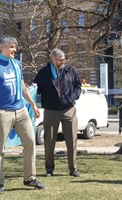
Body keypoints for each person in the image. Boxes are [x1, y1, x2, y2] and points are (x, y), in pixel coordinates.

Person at [0, 35, 44, 194]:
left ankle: (30, 178)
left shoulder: (17, 64)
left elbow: (22, 87)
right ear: (2, 48)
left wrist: (33, 105)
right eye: (11, 47)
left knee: (30, 142)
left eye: (15, 47)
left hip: (21, 111)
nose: (15, 49)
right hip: (2, 113)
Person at [34, 48, 82, 177]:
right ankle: (49, 169)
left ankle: (73, 169)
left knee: (72, 140)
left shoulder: (70, 70)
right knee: (49, 141)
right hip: (50, 111)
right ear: (54, 60)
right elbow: (35, 88)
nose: (63, 61)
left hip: (69, 110)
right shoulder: (43, 73)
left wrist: (74, 96)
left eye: (64, 59)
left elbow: (78, 85)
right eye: (60, 59)